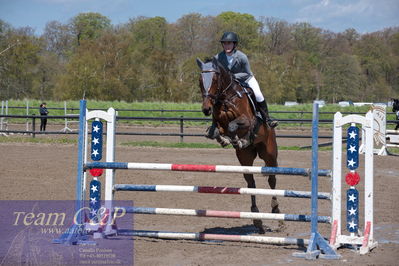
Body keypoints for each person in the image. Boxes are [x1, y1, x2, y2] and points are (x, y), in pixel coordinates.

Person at [214, 31, 278, 128]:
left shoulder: (242, 57)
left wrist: (233, 76)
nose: (227, 46)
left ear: (234, 44)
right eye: (225, 43)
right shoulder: (218, 57)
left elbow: (247, 73)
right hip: (230, 83)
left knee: (258, 95)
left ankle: (267, 118)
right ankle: (215, 123)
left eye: (229, 43)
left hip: (246, 79)